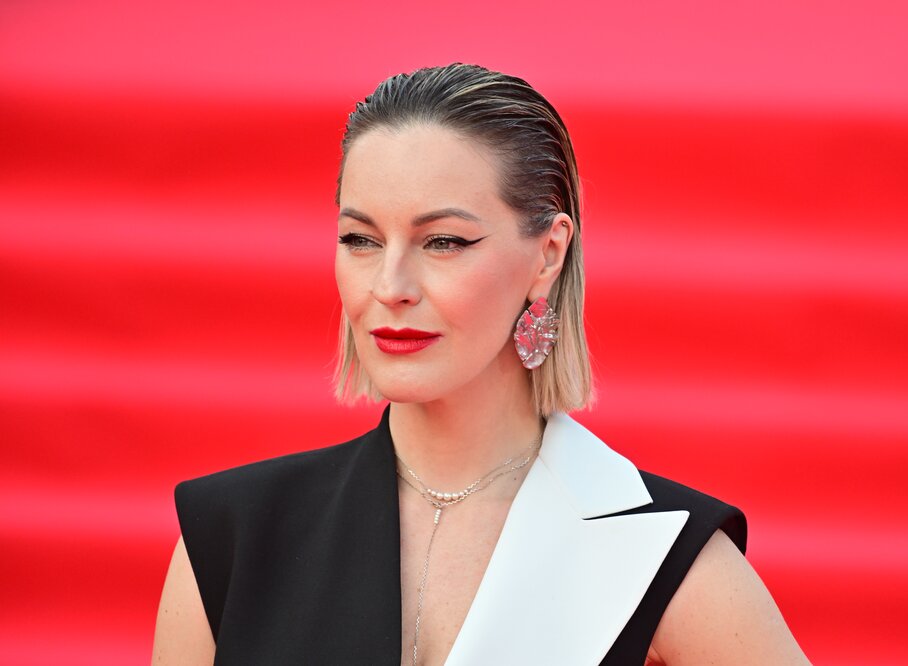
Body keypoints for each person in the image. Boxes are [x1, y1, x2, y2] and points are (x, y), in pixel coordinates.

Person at [152, 63, 811, 665]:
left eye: (443, 241)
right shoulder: (231, 538)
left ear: (547, 255)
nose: (390, 285)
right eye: (360, 239)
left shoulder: (668, 559)